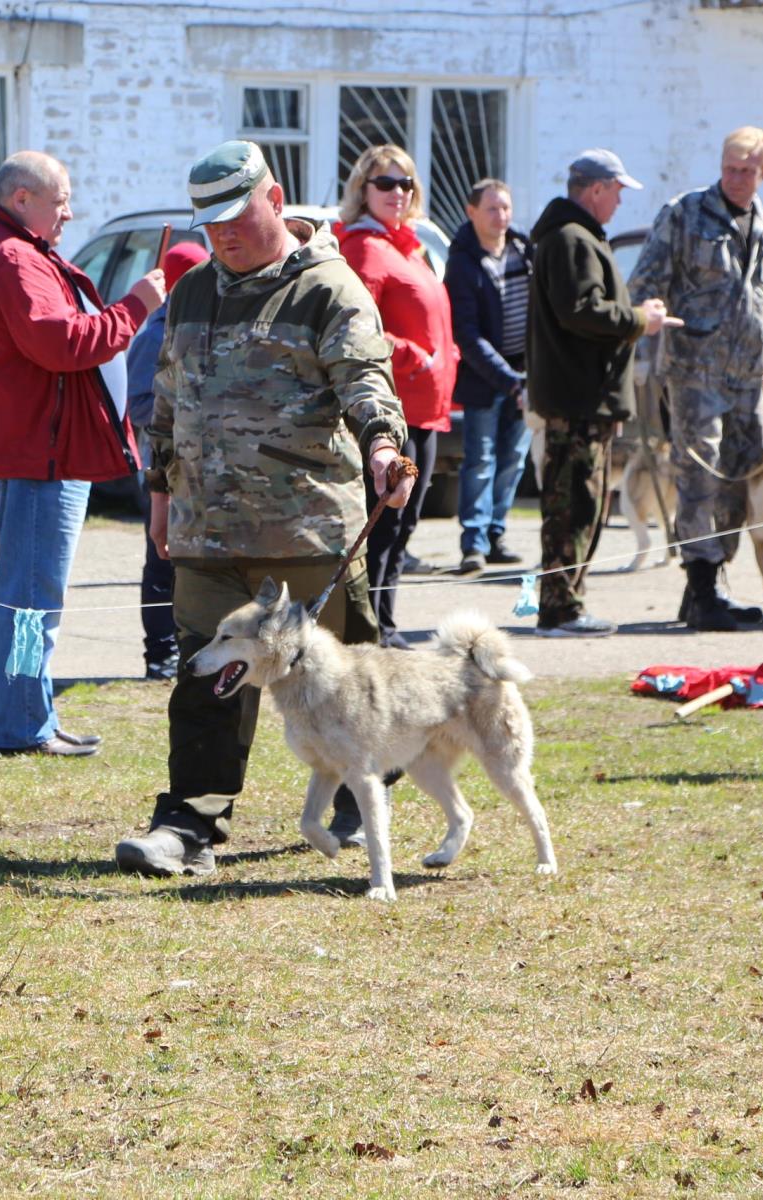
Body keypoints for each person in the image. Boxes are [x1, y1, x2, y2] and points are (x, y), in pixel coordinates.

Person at [113, 140, 413, 877]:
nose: (222, 235)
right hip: (206, 534)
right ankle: (189, 826)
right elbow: (169, 400)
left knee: (345, 685)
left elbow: (366, 380)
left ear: (275, 200)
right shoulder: (192, 293)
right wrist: (159, 492)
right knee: (203, 680)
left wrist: (382, 446)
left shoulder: (329, 289)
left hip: (307, 533)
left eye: (236, 217)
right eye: (208, 223)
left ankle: (360, 792)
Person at [0, 151, 166, 755]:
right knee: (29, 600)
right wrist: (136, 308)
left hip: (35, 450)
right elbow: (61, 343)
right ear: (23, 199)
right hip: (37, 456)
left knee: (33, 596)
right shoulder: (12, 256)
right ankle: (23, 724)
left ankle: (31, 712)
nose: (70, 212)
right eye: (61, 199)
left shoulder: (9, 247)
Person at [629, 126, 763, 631]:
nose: (736, 178)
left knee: (739, 479)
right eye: (729, 168)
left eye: (747, 170)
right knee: (700, 477)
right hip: (695, 373)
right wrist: (651, 320)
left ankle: (711, 580)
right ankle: (701, 584)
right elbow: (646, 282)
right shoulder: (685, 214)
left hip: (746, 383)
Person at [527, 149, 676, 637]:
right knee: (573, 505)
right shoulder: (573, 239)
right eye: (615, 191)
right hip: (577, 400)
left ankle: (566, 603)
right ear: (595, 189)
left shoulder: (575, 237)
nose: (618, 202)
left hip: (582, 397)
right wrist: (640, 320)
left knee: (582, 504)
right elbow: (582, 311)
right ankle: (561, 608)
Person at [334, 143, 457, 647]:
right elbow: (355, 331)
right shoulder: (363, 247)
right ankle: (367, 630)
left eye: (405, 183)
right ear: (363, 190)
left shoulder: (409, 246)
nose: (398, 192)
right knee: (382, 525)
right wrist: (413, 354)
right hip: (390, 411)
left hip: (428, 409)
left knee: (402, 526)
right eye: (385, 182)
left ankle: (385, 622)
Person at [126, 241, 211, 680]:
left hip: (205, 469)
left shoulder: (207, 326)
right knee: (161, 562)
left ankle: (190, 646)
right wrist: (181, 415)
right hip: (165, 465)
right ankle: (158, 654)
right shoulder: (155, 333)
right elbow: (139, 403)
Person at [445, 177, 534, 575]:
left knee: (513, 458)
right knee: (480, 459)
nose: (501, 216)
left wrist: (529, 377)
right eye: (492, 209)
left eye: (506, 208)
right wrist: (508, 380)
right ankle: (474, 543)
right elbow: (467, 333)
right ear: (472, 212)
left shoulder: (523, 250)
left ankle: (497, 534)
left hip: (527, 375)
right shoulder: (462, 259)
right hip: (485, 378)